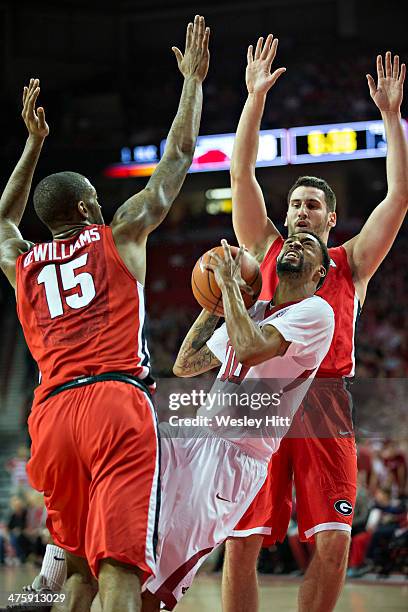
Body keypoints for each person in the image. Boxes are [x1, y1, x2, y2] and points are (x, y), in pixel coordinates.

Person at [0, 15, 210, 612]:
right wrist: (192, 82)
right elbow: (177, 159)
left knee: (75, 578)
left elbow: (3, 222)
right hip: (116, 403)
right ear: (91, 205)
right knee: (119, 566)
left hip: (51, 414)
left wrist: (33, 145)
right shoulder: (118, 234)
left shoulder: (23, 260)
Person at [223, 35, 408, 612]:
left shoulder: (352, 262)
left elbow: (398, 196)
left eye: (312, 205)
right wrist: (254, 98)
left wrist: (391, 118)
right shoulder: (268, 250)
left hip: (327, 402)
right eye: (296, 203)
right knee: (242, 542)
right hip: (265, 401)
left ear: (331, 217)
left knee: (333, 545)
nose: (301, 210)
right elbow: (240, 173)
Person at [141, 233, 334, 611]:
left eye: (307, 244)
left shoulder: (315, 312)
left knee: (160, 580)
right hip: (193, 437)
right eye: (291, 240)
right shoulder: (254, 311)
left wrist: (228, 283)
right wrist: (216, 299)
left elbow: (249, 349)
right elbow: (185, 364)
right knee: (117, 478)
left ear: (319, 271)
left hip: (231, 460)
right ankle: (54, 569)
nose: (294, 244)